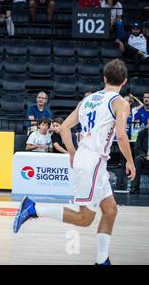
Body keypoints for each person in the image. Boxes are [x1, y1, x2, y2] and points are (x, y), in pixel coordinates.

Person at [14, 59, 136, 265]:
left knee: (110, 210)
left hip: (89, 160)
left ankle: (102, 260)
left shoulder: (87, 101)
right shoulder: (120, 102)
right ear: (124, 81)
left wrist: (72, 152)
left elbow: (64, 127)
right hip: (94, 161)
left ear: (104, 78)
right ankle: (33, 208)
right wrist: (130, 161)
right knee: (85, 218)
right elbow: (122, 136)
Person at [132, 118, 149, 194]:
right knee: (137, 159)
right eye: (148, 123)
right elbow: (137, 147)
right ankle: (135, 187)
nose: (148, 125)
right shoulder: (142, 133)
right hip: (144, 158)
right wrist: (145, 156)